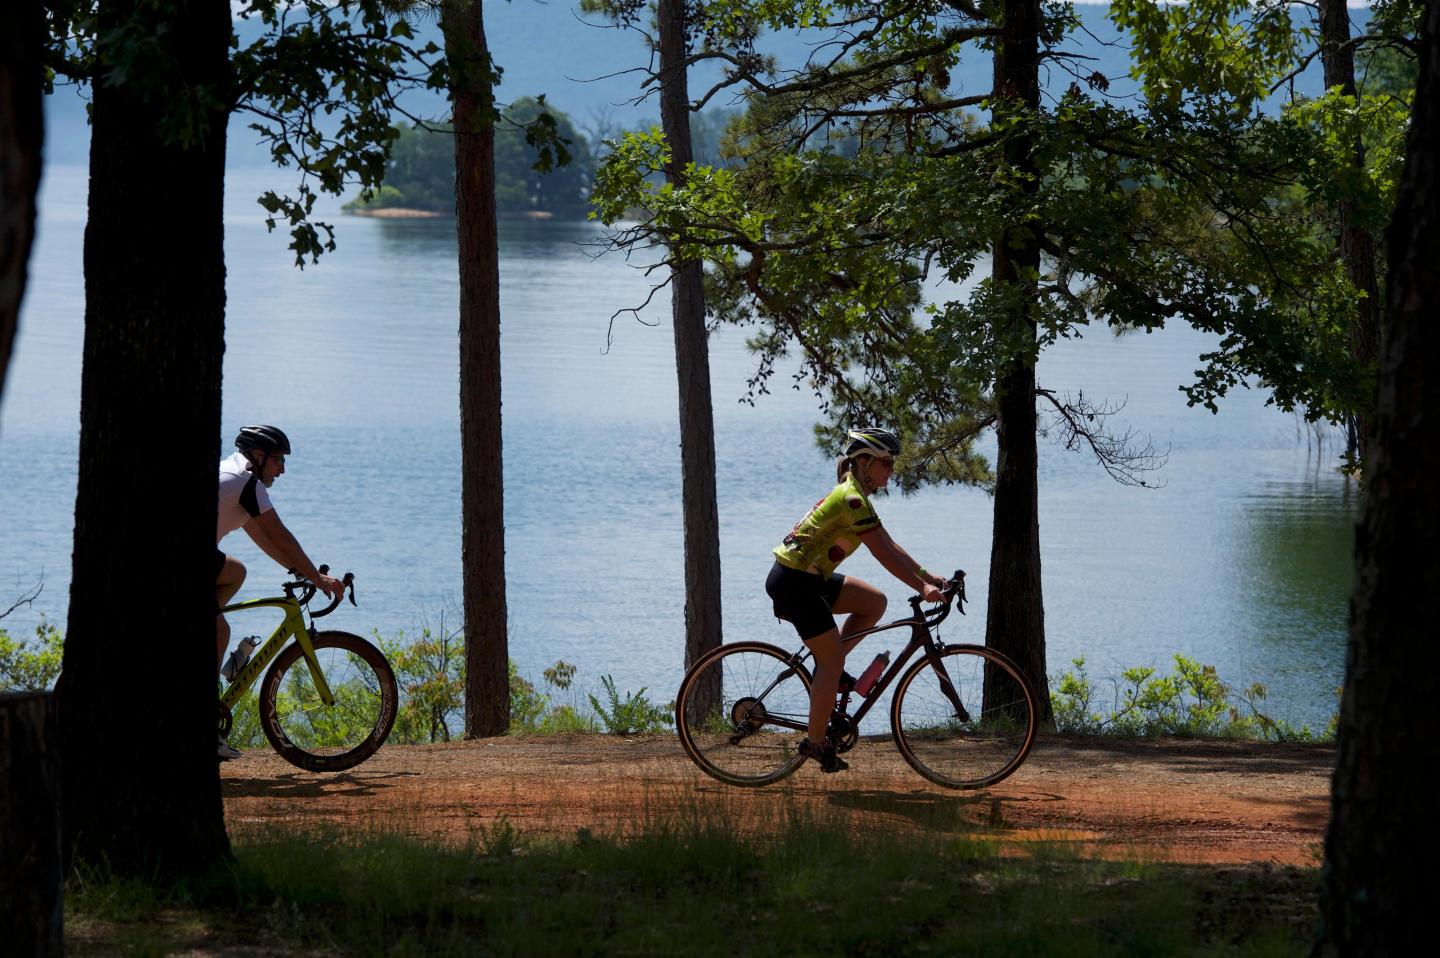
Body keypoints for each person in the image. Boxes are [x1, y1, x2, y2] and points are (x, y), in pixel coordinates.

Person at [766, 427, 948, 773]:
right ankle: (815, 742)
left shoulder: (857, 498)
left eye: (891, 463)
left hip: (809, 578)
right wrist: (922, 588)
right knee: (832, 661)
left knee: (874, 603)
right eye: (884, 462)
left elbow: (890, 544)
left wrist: (928, 576)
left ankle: (827, 670)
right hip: (793, 582)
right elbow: (883, 555)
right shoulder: (851, 500)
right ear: (863, 462)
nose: (891, 470)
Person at [215, 424, 344, 759]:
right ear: (259, 457)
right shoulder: (247, 483)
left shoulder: (236, 474)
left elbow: (266, 541)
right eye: (278, 461)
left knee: (236, 571)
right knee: (219, 630)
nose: (282, 470)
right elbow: (281, 536)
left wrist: (302, 570)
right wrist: (316, 577)